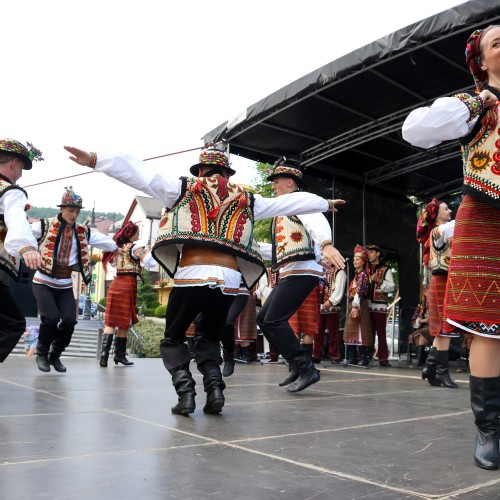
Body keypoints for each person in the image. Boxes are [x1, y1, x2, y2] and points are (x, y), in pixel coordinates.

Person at [65, 146, 345, 415]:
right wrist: (326, 202)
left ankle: (185, 392)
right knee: (209, 336)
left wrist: (95, 159)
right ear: (227, 174)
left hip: (192, 275)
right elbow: (288, 202)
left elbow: (140, 174)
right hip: (228, 281)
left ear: (201, 170)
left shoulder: (183, 188)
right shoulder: (247, 199)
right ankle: (215, 391)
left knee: (173, 339)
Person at [402, 25, 500, 470]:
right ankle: (490, 429)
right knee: (487, 324)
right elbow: (415, 130)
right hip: (487, 216)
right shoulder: (474, 105)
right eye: (497, 43)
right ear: (480, 62)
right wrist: (482, 98)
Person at [257, 158, 344, 392]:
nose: (273, 187)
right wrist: (252, 247)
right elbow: (281, 249)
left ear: (289, 182)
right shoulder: (283, 211)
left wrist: (326, 244)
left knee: (273, 320)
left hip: (302, 272)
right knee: (263, 319)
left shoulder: (300, 202)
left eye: (276, 182)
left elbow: (317, 221)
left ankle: (306, 368)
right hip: (292, 271)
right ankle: (296, 364)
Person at [31, 187, 117, 373]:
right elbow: (23, 237)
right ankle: (41, 352)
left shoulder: (83, 231)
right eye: (71, 210)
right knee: (51, 318)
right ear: (62, 209)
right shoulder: (44, 225)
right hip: (43, 281)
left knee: (70, 320)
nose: (74, 215)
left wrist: (117, 246)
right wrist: (28, 251)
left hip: (64, 283)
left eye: (77, 212)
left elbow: (107, 242)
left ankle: (55, 354)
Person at [0, 139, 43, 363]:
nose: (21, 176)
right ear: (14, 164)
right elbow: (16, 216)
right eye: (22, 170)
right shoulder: (11, 192)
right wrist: (26, 246)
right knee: (12, 322)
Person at [100, 221, 157, 367]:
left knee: (111, 321)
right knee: (124, 321)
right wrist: (151, 251)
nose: (139, 234)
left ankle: (104, 355)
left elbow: (113, 264)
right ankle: (119, 355)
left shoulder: (117, 248)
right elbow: (149, 262)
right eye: (137, 232)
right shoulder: (135, 247)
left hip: (115, 282)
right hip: (128, 284)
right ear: (132, 234)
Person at [416, 198, 458, 388]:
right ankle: (441, 372)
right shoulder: (438, 232)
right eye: (446, 209)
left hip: (445, 281)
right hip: (442, 281)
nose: (450, 211)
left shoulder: (444, 233)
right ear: (436, 215)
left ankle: (431, 368)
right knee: (444, 328)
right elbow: (460, 224)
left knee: (443, 327)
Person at [366, 244, 395, 367]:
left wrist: (380, 281)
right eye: (369, 252)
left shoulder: (386, 269)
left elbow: (392, 287)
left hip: (379, 305)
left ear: (378, 253)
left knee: (381, 332)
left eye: (372, 252)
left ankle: (383, 358)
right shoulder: (365, 268)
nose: (369, 254)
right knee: (368, 332)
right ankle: (366, 355)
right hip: (366, 304)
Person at [343, 245, 373, 367]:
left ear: (363, 261)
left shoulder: (363, 275)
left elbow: (359, 291)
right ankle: (353, 357)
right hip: (354, 303)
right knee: (351, 329)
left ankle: (364, 357)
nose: (354, 261)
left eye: (357, 259)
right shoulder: (357, 275)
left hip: (360, 304)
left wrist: (355, 306)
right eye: (354, 259)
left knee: (361, 330)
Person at [313, 267, 346, 364]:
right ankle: (316, 354)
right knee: (318, 332)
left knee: (333, 332)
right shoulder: (319, 270)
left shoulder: (339, 272)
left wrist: (331, 301)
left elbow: (339, 288)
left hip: (332, 306)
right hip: (319, 305)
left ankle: (334, 355)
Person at [410, 286, 431, 367]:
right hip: (424, 327)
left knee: (421, 334)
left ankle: (421, 359)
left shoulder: (437, 303)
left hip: (436, 327)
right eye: (429, 291)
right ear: (426, 292)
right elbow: (414, 321)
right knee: (421, 334)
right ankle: (420, 358)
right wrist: (424, 320)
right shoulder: (422, 305)